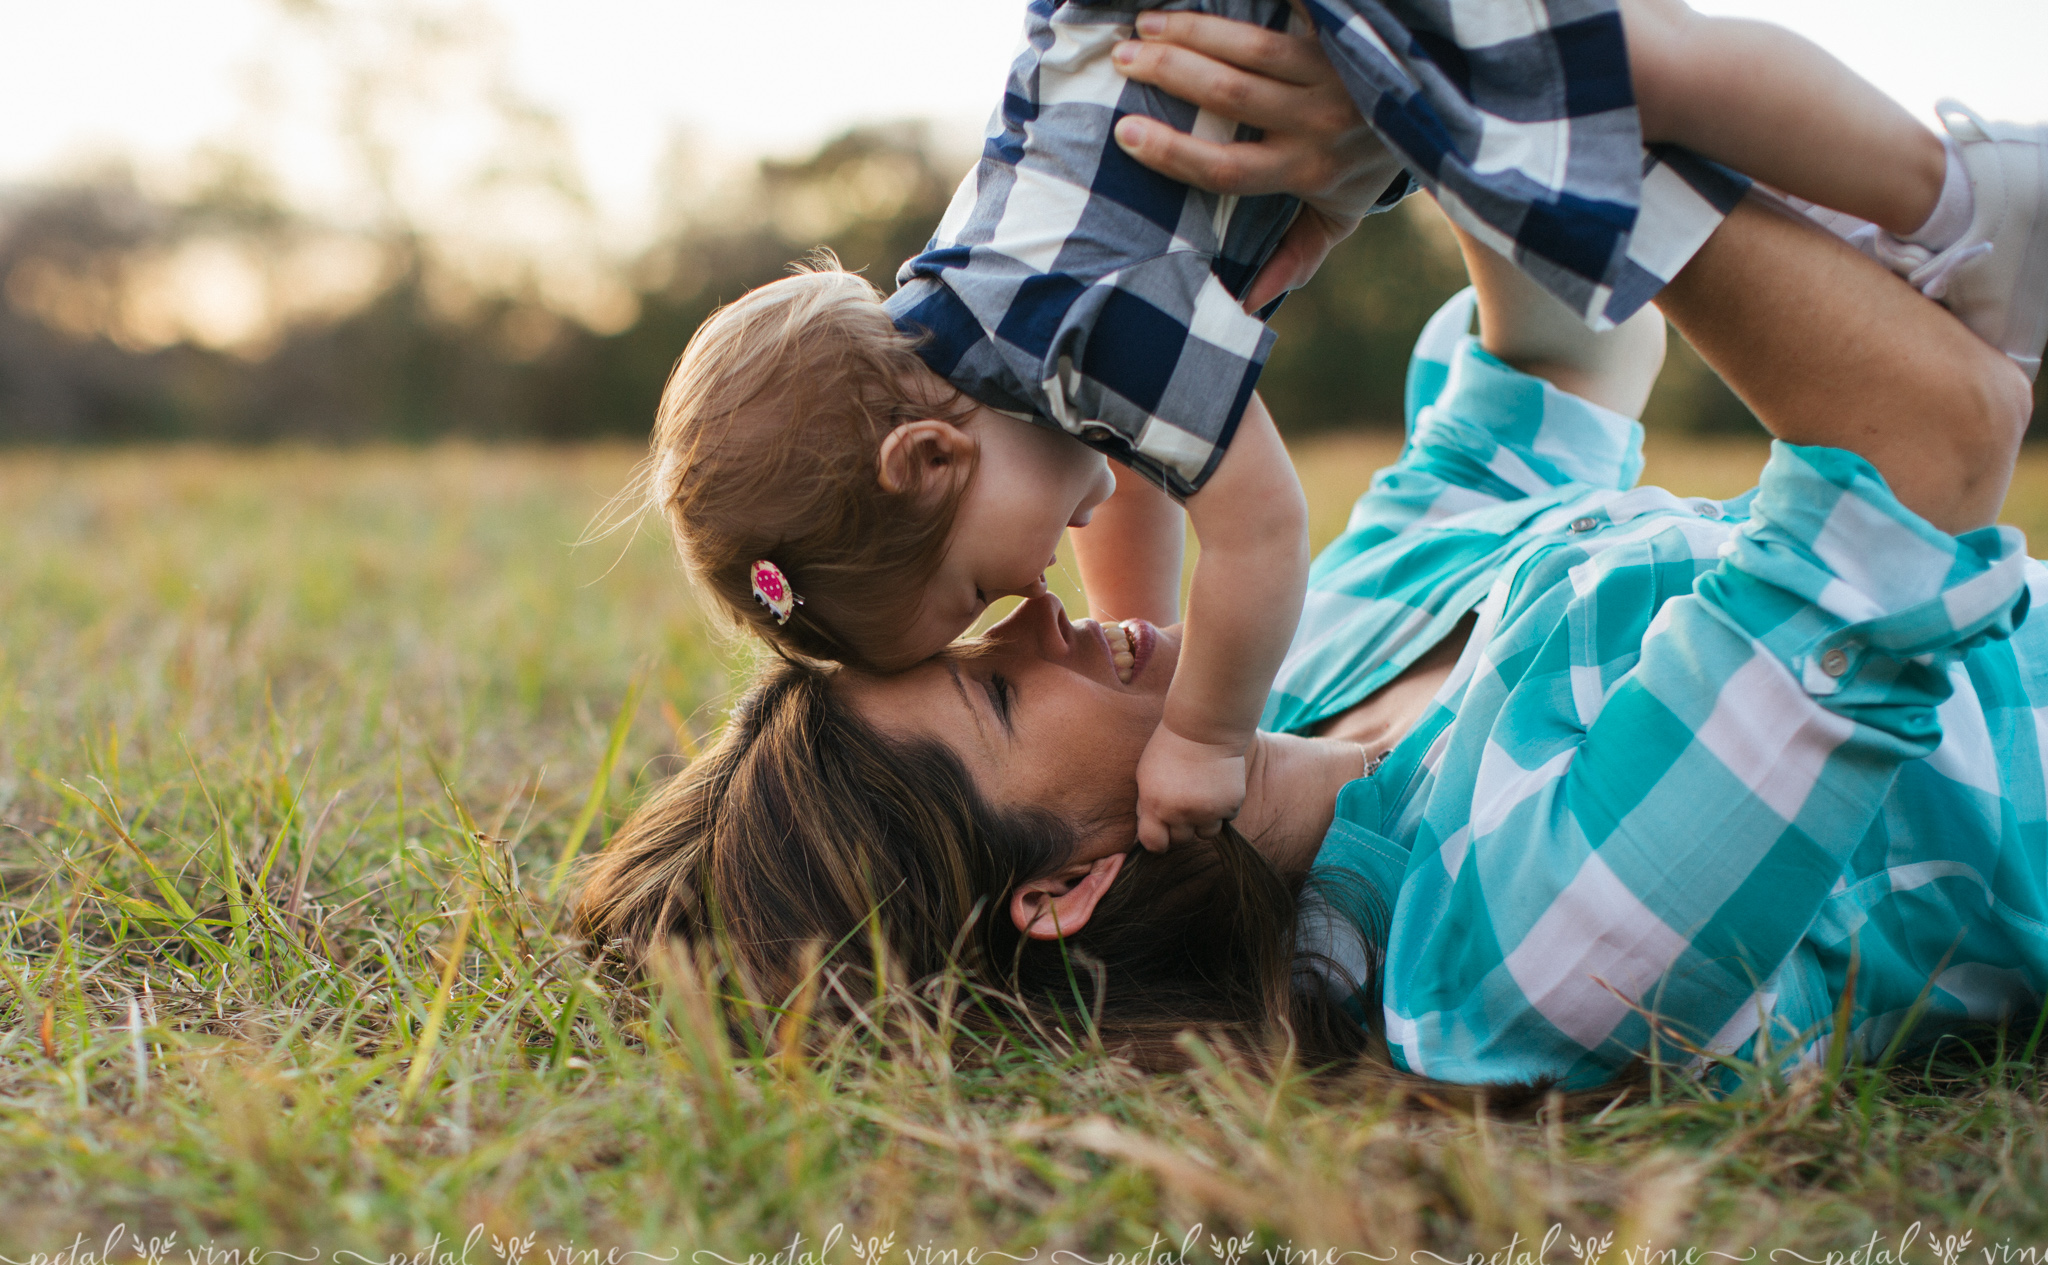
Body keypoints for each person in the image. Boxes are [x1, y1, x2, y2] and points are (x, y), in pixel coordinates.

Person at [583, 20, 2042, 1091]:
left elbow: (1562, 359)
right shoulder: (1529, 944)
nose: (1035, 615)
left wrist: (1341, 134)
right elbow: (1933, 434)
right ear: (1068, 887)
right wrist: (1470, 120)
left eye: (976, 629)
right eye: (999, 694)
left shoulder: (1312, 651)